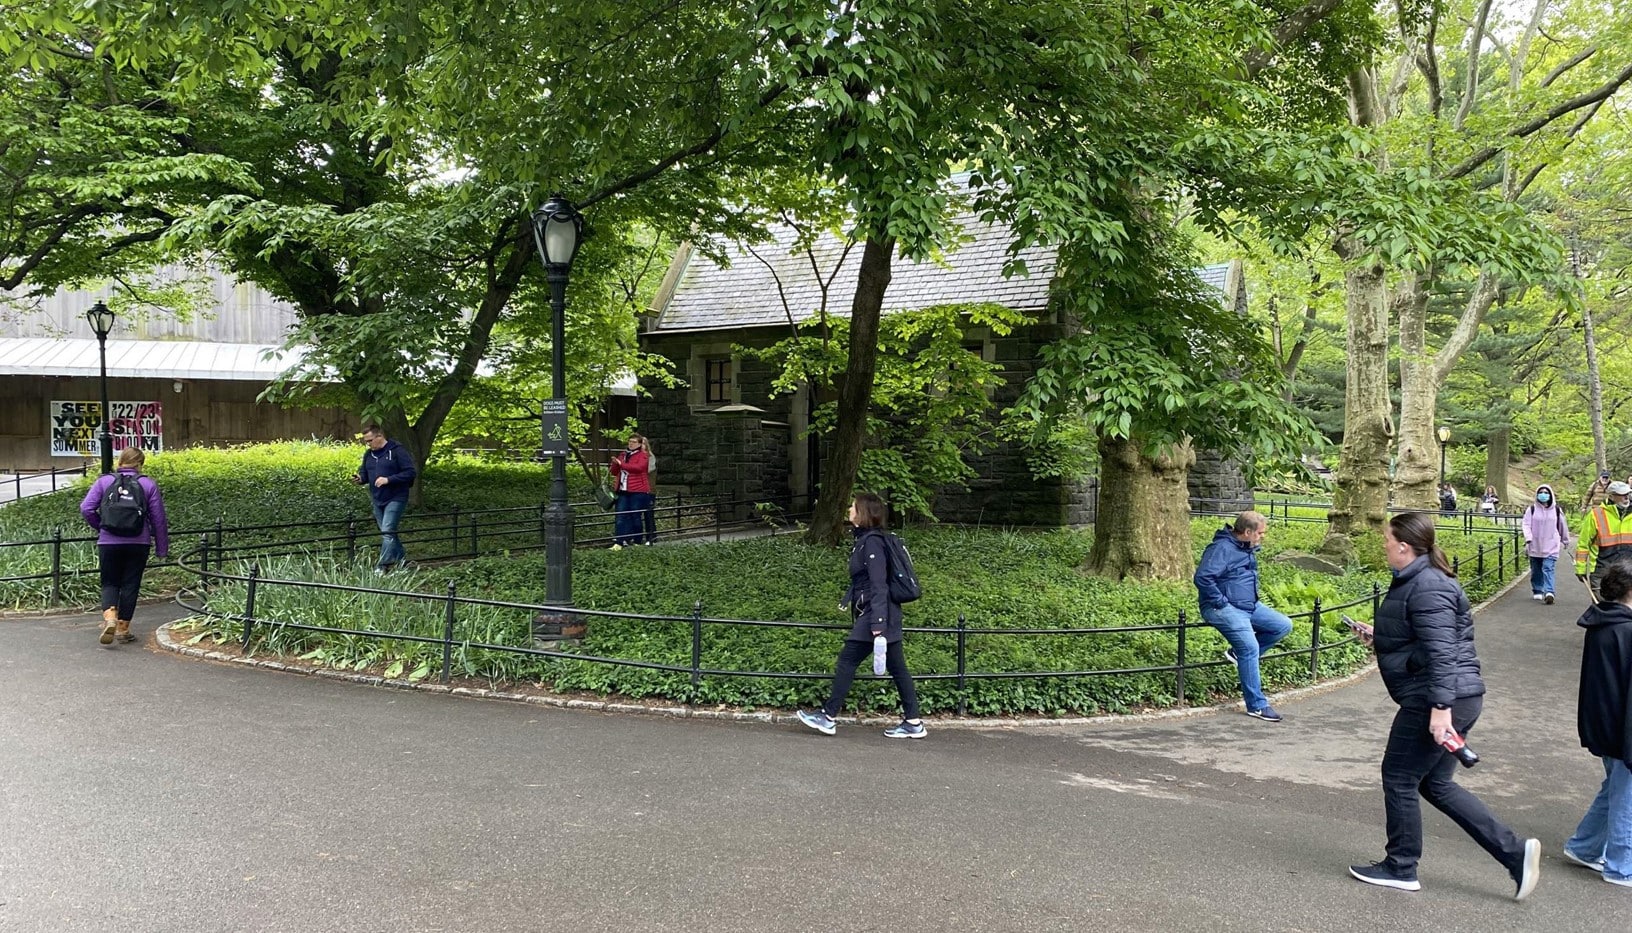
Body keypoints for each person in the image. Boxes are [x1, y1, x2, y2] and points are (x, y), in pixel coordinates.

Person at [1348, 512, 1541, 899]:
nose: (1383, 543)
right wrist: (1382, 638)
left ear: (1404, 545)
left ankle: (1401, 867)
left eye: (1387, 538)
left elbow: (1441, 654)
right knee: (1435, 784)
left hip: (1436, 697)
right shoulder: (1419, 581)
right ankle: (1514, 852)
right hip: (1454, 695)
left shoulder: (1428, 586)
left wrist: (1440, 710)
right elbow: (1424, 641)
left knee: (1400, 777)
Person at [796, 492, 925, 739]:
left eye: (853, 507)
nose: (849, 510)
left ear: (863, 512)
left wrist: (878, 622)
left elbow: (879, 585)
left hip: (876, 615)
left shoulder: (872, 543)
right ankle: (913, 722)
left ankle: (828, 716)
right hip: (883, 613)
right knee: (898, 668)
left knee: (848, 660)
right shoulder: (866, 540)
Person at [1562, 558, 1632, 888]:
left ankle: (1585, 847)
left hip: (1606, 726)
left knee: (1614, 791)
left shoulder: (1604, 623)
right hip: (1622, 732)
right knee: (1625, 798)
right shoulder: (1627, 629)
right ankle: (1621, 867)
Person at [1193, 510, 1293, 722]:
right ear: (1247, 532)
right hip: (1223, 608)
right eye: (1260, 533)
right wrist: (1221, 602)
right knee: (1250, 648)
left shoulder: (1245, 546)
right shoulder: (1221, 549)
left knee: (1283, 625)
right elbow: (1203, 578)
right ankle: (1256, 705)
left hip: (1249, 606)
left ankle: (1238, 656)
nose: (1263, 537)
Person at [79, 446, 170, 646]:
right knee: (130, 584)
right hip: (138, 542)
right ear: (140, 464)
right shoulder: (148, 485)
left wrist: (101, 526)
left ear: (120, 461)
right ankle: (123, 628)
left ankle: (110, 615)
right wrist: (162, 548)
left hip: (109, 541)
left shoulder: (104, 481)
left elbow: (86, 508)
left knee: (110, 582)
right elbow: (158, 520)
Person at [352, 424, 417, 572]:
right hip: (377, 498)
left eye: (369, 440)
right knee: (388, 533)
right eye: (366, 441)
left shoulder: (397, 451)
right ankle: (402, 563)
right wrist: (360, 479)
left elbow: (410, 472)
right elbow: (365, 474)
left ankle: (382, 566)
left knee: (387, 530)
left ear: (379, 436)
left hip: (396, 497)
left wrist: (388, 479)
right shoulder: (369, 455)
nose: (367, 444)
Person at [1576, 481, 1632, 600]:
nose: (1626, 497)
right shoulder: (1596, 515)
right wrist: (1580, 568)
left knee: (1626, 611)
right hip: (1602, 570)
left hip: (1628, 570)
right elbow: (1583, 544)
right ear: (1611, 496)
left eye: (1628, 493)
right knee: (1603, 609)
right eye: (1622, 494)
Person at [1522, 483, 1569, 604]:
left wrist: (1565, 540)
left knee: (1548, 568)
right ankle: (1538, 590)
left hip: (1551, 545)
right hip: (1535, 545)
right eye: (1541, 492)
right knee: (1536, 569)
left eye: (1546, 492)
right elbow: (1526, 525)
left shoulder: (1557, 510)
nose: (1543, 495)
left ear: (1551, 495)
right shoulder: (1531, 510)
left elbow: (1562, 525)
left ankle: (1549, 592)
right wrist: (1528, 538)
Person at [608, 434, 654, 546]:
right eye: (629, 441)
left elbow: (638, 468)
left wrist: (621, 464)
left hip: (638, 491)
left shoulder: (643, 455)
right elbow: (614, 472)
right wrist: (615, 464)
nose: (631, 444)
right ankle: (619, 541)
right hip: (623, 490)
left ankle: (637, 540)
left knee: (635, 516)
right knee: (620, 516)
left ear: (639, 444)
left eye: (634, 442)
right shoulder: (623, 455)